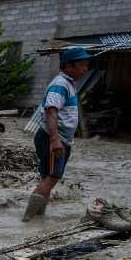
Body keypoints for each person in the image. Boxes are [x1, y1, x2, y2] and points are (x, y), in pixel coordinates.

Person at [23, 47, 91, 221]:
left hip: (59, 138)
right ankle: (27, 220)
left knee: (48, 176)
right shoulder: (60, 84)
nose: (86, 69)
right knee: (52, 176)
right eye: (82, 65)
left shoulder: (68, 83)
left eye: (86, 65)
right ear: (69, 66)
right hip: (54, 138)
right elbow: (51, 111)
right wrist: (55, 140)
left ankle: (37, 217)